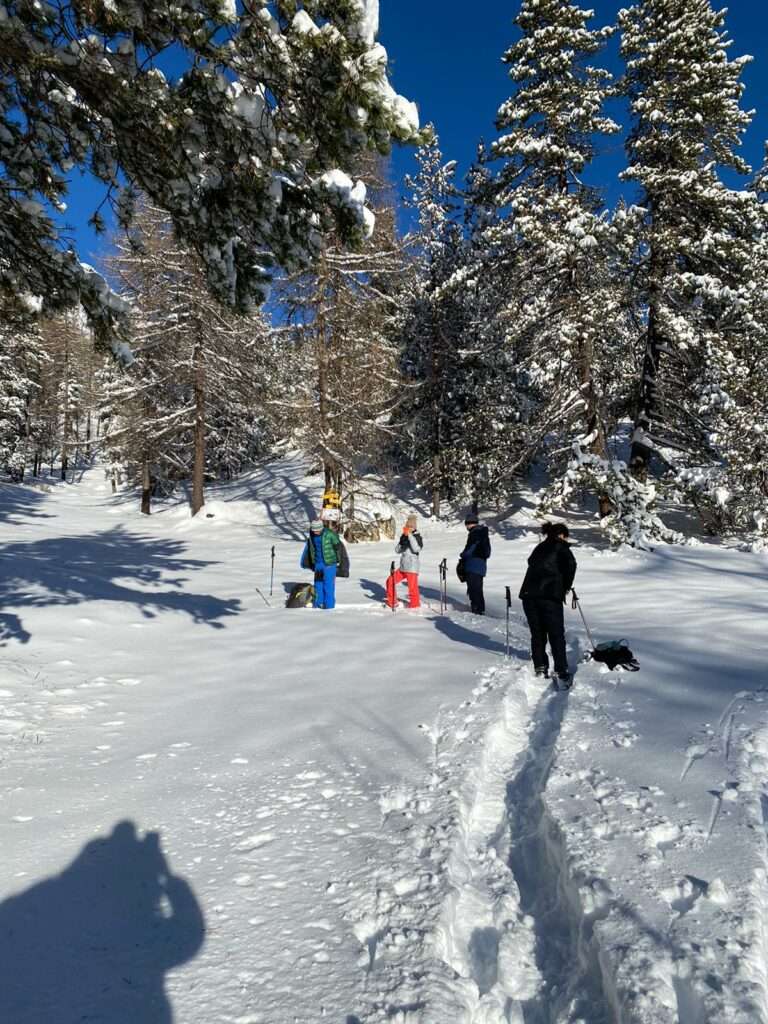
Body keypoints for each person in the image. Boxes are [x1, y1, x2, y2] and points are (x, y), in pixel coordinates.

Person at [519, 521, 577, 687]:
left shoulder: (539, 548)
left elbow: (531, 563)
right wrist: (565, 586)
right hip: (550, 596)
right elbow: (571, 566)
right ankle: (561, 670)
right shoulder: (561, 546)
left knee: (537, 633)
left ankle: (540, 666)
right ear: (562, 535)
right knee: (556, 633)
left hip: (529, 595)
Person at [301, 518, 341, 609]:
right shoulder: (312, 535)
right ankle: (318, 604)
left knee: (328, 585)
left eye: (317, 530)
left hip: (329, 564)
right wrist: (312, 562)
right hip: (318, 564)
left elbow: (338, 548)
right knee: (318, 584)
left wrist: (339, 562)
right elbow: (311, 548)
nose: (316, 532)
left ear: (321, 528)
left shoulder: (330, 534)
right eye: (314, 530)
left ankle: (329, 606)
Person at [386, 514, 423, 609]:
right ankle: (393, 602)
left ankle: (415, 607)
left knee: (412, 589)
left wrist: (410, 535)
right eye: (407, 526)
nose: (407, 528)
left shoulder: (417, 537)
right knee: (390, 581)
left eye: (409, 527)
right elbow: (397, 550)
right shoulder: (405, 537)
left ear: (413, 527)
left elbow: (416, 549)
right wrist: (402, 541)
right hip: (403, 567)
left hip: (412, 567)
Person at [459, 514, 491, 615]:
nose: (466, 527)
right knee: (478, 589)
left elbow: (470, 549)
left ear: (468, 524)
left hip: (473, 565)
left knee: (474, 589)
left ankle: (477, 610)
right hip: (481, 565)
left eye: (466, 525)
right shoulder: (483, 533)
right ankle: (480, 609)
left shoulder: (475, 533)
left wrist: (463, 555)